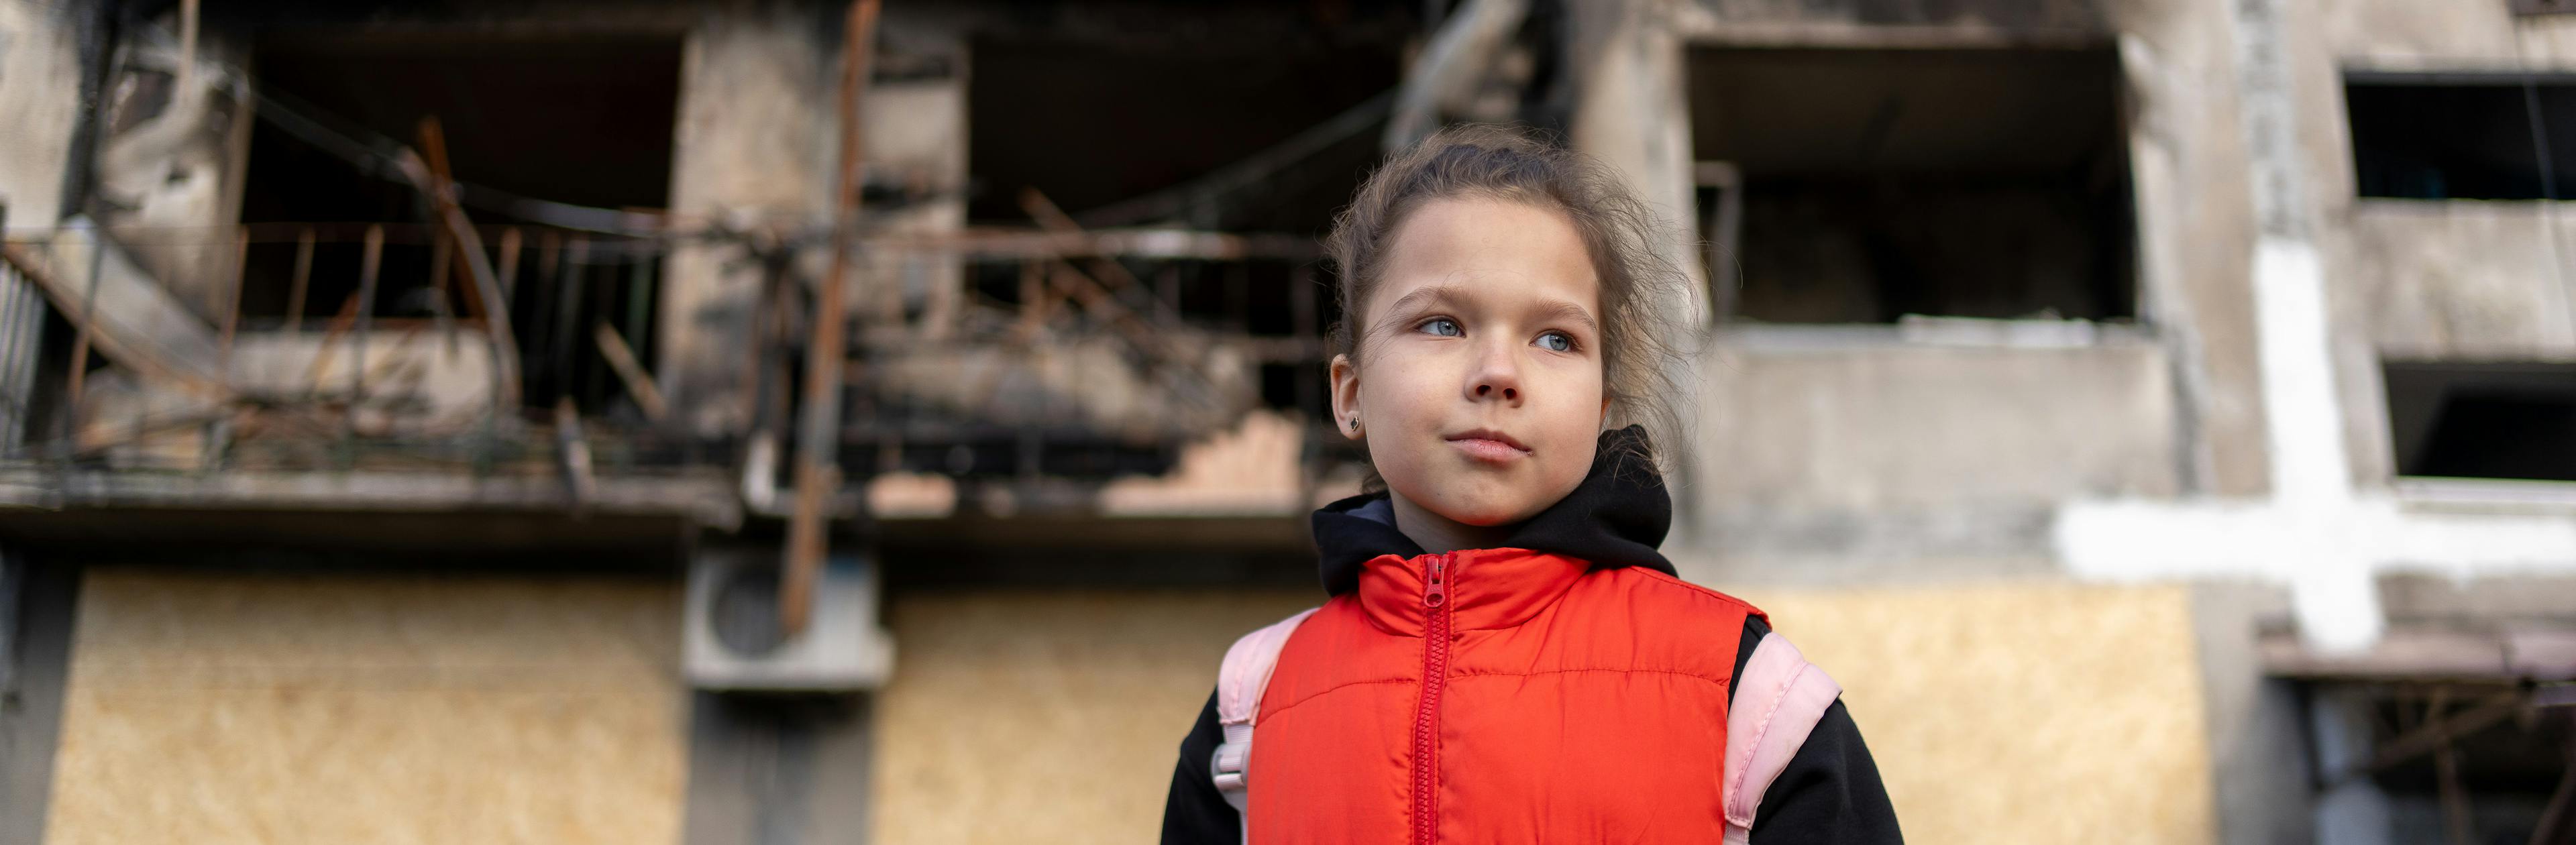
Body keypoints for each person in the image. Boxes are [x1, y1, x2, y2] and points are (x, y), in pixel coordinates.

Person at [1158, 123, 1902, 844]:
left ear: (1601, 407)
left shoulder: (1751, 697)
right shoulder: (1250, 715)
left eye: (1556, 339)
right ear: (1349, 393)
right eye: (1443, 325)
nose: (1499, 375)